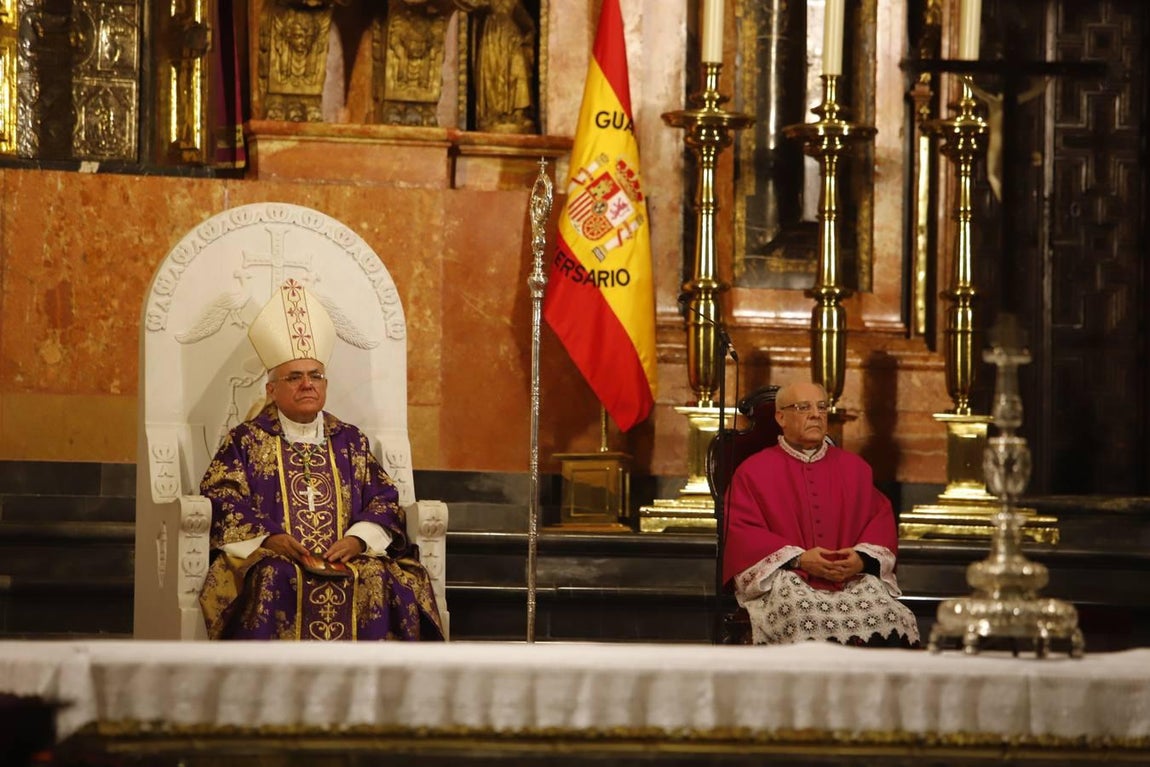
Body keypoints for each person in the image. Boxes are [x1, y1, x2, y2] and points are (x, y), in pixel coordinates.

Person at [198, 279, 444, 641]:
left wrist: (358, 541)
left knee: (377, 576)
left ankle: (370, 691)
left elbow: (384, 499)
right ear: (272, 389)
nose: (307, 385)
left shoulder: (349, 441)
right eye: (294, 377)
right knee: (273, 576)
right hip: (277, 558)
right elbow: (222, 495)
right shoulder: (247, 440)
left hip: (345, 558)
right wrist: (270, 538)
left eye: (315, 376)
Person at [721, 381, 920, 646]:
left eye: (822, 407)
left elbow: (879, 519)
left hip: (851, 580)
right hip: (788, 580)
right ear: (781, 417)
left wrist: (861, 559)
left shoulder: (856, 468)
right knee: (803, 619)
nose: (816, 414)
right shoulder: (752, 472)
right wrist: (799, 560)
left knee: (894, 618)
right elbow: (743, 534)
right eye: (803, 407)